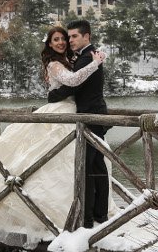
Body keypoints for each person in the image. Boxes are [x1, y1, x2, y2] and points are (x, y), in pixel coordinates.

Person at [0, 26, 113, 246]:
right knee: (58, 160)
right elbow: (72, 81)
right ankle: (71, 214)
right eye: (56, 39)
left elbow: (73, 84)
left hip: (75, 113)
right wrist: (93, 65)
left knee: (81, 162)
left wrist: (58, 92)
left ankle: (88, 213)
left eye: (65, 38)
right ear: (49, 44)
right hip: (63, 113)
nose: (62, 42)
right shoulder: (54, 63)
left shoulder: (74, 58)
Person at [46, 19, 110, 229]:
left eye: (73, 36)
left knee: (88, 167)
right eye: (68, 37)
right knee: (96, 165)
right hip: (90, 115)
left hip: (90, 116)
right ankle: (99, 214)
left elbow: (73, 85)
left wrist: (53, 95)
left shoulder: (88, 58)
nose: (69, 40)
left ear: (86, 36)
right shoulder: (84, 57)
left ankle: (88, 219)